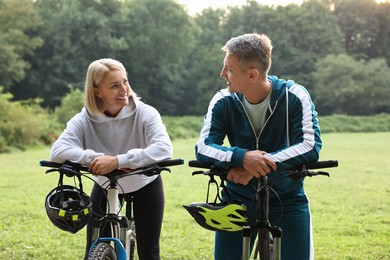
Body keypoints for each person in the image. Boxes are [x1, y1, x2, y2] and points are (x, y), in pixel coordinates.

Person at [195, 33, 322, 259]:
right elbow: (204, 147)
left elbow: (310, 145)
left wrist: (256, 165)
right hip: (237, 198)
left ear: (252, 74)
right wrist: (243, 157)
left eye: (229, 69)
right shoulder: (222, 100)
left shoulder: (294, 95)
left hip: (287, 197)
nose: (222, 74)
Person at [49, 58, 172, 260]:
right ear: (97, 91)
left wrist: (118, 161)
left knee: (149, 252)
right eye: (114, 85)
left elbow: (164, 149)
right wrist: (96, 158)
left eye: (125, 81)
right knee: (92, 249)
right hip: (106, 184)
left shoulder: (146, 113)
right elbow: (58, 151)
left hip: (144, 182)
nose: (124, 90)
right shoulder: (84, 118)